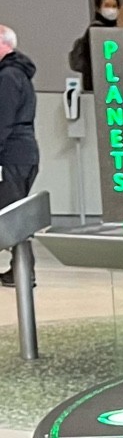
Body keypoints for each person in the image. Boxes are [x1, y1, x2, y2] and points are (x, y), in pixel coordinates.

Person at [0, 25, 40, 291]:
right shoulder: (19, 74)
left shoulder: (7, 76)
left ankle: (24, 271)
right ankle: (21, 270)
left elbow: (2, 119)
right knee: (16, 215)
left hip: (11, 154)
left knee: (11, 215)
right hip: (23, 153)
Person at [67, 0, 121, 94]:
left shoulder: (117, 33)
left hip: (113, 87)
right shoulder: (94, 31)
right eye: (107, 5)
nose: (111, 9)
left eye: (114, 6)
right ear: (98, 8)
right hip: (98, 87)